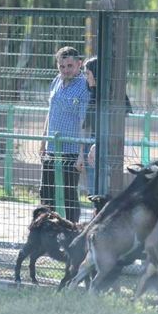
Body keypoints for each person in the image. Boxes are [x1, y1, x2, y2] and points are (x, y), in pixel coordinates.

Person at [39, 46, 88, 223]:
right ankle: (45, 231)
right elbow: (49, 112)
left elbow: (84, 121)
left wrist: (81, 154)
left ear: (79, 64)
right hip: (52, 147)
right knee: (46, 191)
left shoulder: (84, 87)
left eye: (69, 66)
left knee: (69, 193)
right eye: (62, 66)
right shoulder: (56, 82)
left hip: (71, 150)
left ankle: (72, 232)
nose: (65, 70)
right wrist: (43, 141)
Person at [79, 56, 133, 197]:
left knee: (105, 193)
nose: (86, 77)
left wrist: (98, 144)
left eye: (88, 73)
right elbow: (89, 125)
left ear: (96, 73)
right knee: (94, 192)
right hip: (92, 144)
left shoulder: (111, 96)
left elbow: (114, 125)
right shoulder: (93, 94)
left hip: (107, 146)